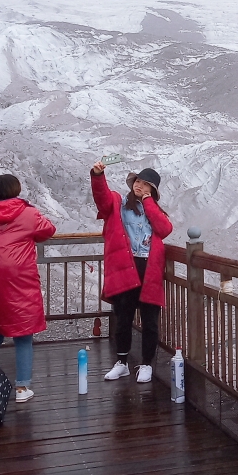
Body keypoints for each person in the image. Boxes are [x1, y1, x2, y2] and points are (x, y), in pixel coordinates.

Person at [0, 174, 56, 403]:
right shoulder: (28, 213)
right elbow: (48, 230)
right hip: (22, 279)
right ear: (17, 190)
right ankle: (22, 388)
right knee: (24, 333)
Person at [90, 162, 172, 383]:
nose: (140, 186)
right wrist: (98, 175)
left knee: (150, 319)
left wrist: (148, 202)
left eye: (146, 185)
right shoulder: (119, 202)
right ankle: (122, 362)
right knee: (123, 316)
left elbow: (164, 229)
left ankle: (146, 364)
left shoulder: (154, 209)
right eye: (138, 182)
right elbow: (102, 198)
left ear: (153, 191)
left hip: (149, 268)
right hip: (125, 266)